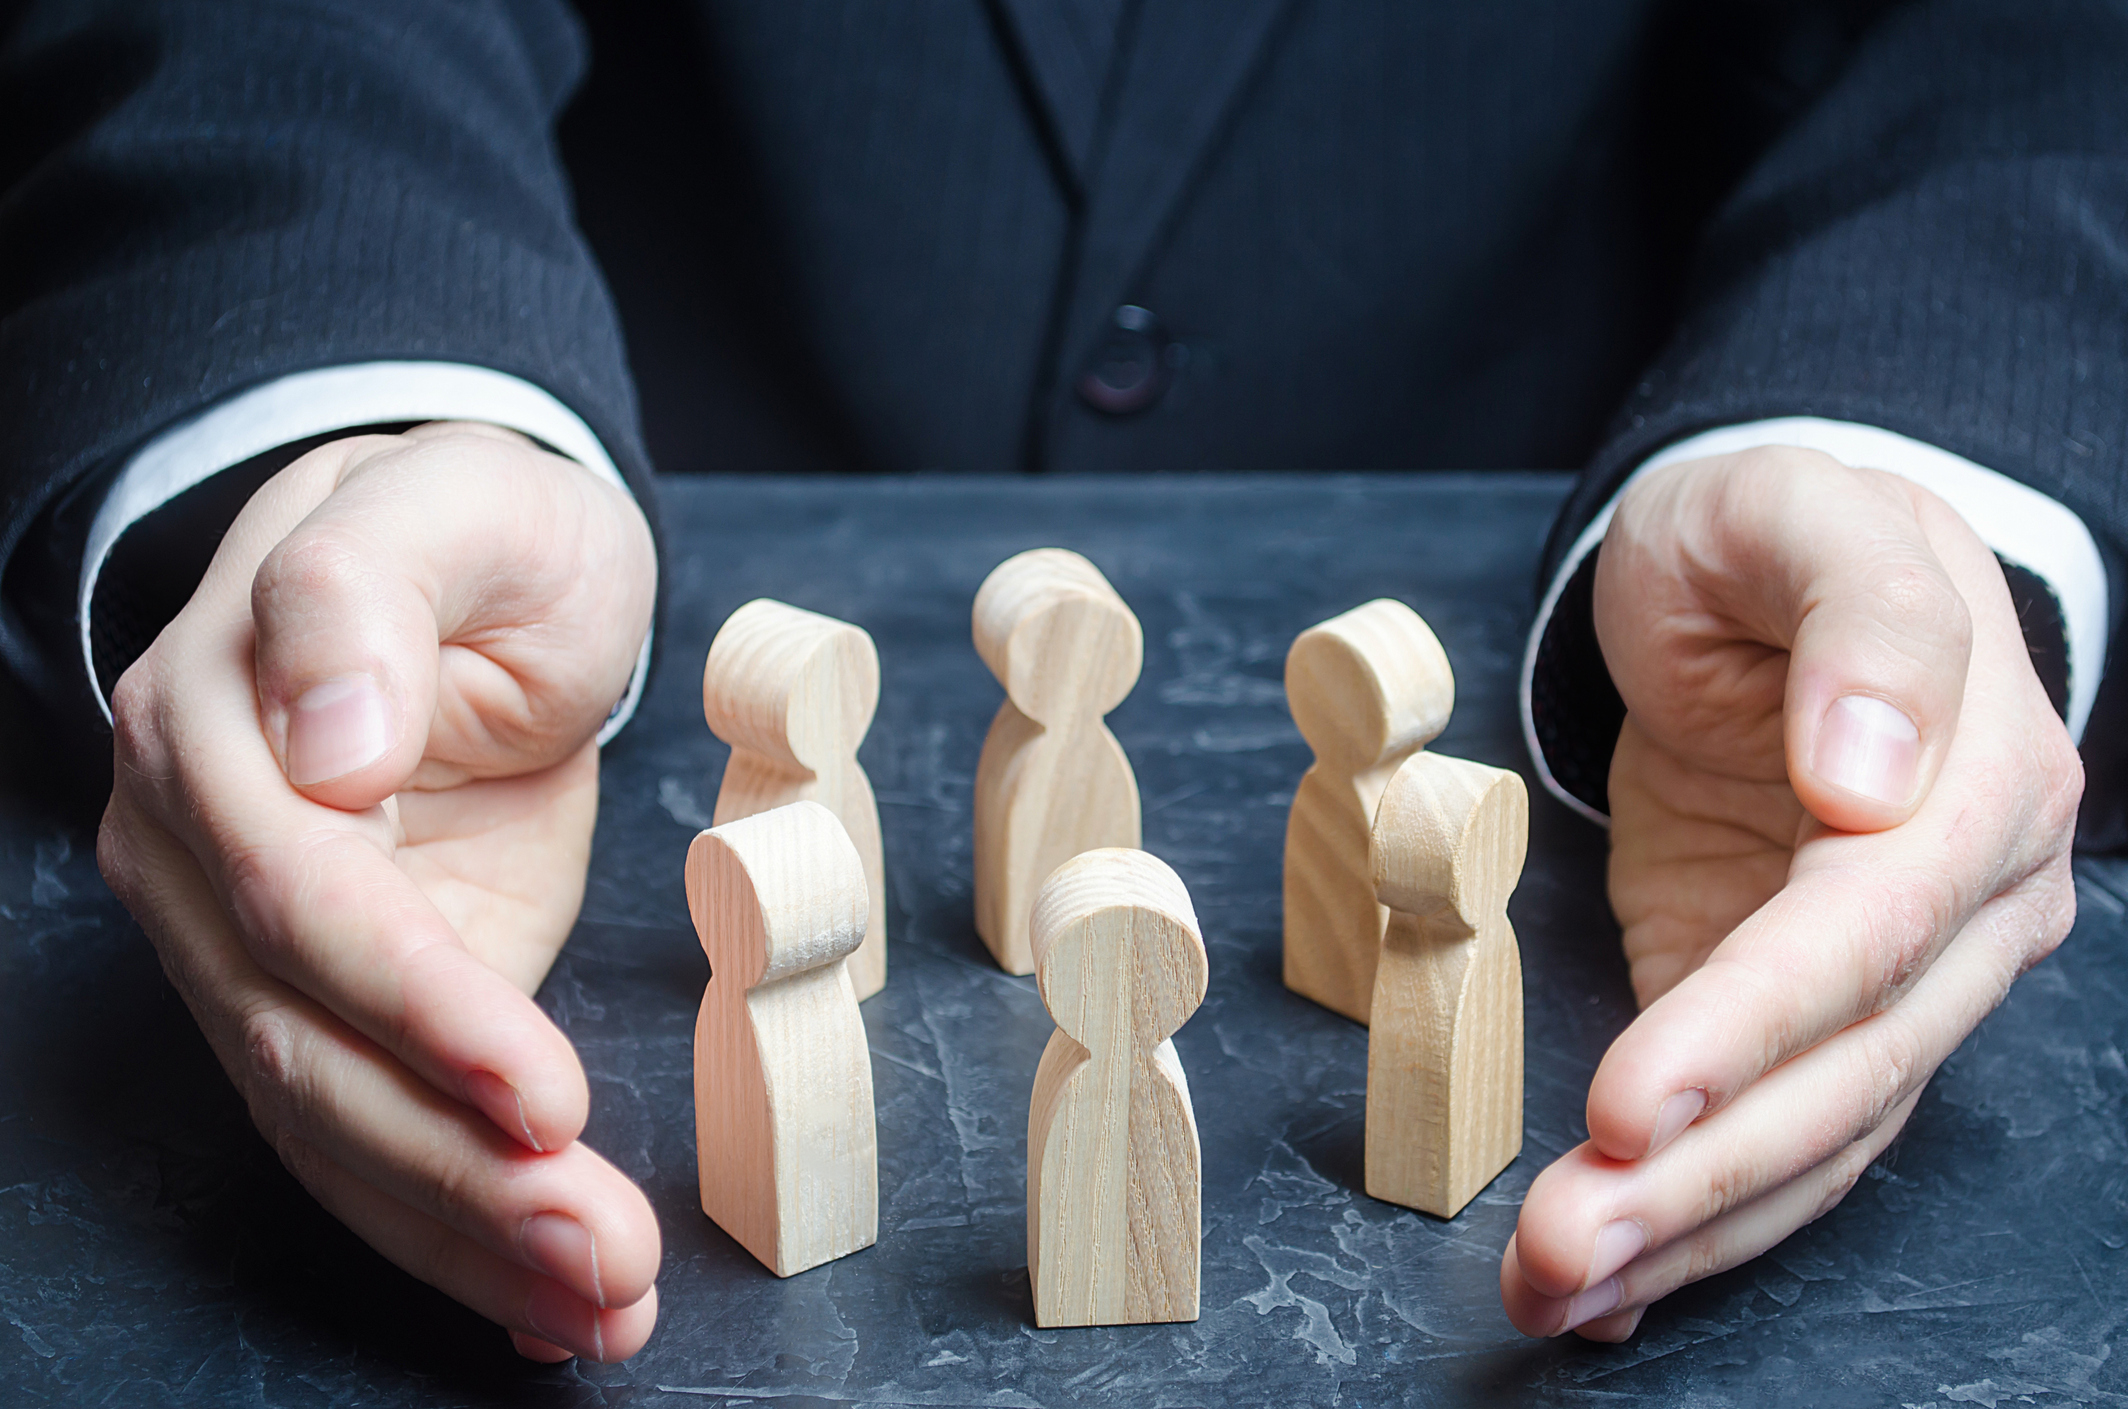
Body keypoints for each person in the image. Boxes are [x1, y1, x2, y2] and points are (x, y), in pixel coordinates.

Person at [0, 0, 2112, 1364]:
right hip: (628, 569)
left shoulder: (1248, 972)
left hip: (1597, 537)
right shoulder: (850, 882)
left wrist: (1918, 464)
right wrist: (322, 430)